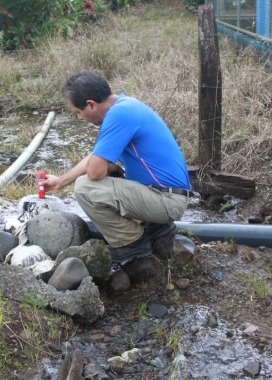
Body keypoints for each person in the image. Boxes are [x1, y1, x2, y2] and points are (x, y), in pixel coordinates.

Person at [42, 71, 191, 279]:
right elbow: (97, 157)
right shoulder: (125, 106)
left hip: (167, 201)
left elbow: (94, 171)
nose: (79, 118)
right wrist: (60, 181)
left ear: (91, 104)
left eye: (78, 112)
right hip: (167, 195)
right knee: (104, 176)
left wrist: (106, 169)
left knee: (85, 187)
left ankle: (132, 244)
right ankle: (156, 230)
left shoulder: (119, 115)